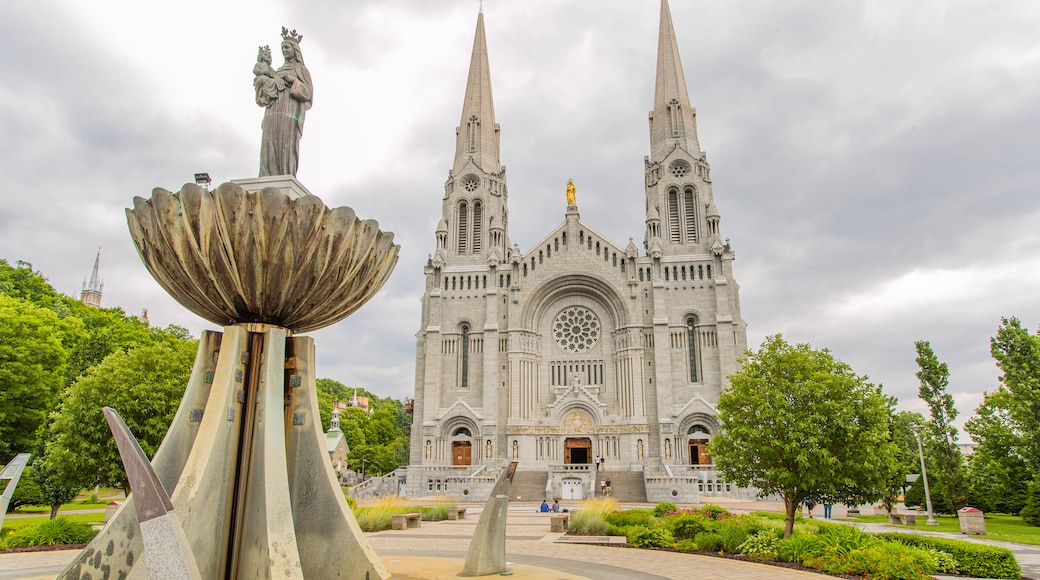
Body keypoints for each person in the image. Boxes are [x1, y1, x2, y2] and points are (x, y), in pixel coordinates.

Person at [257, 27, 313, 177]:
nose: (284, 50)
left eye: (287, 47)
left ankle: (285, 172)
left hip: (289, 112)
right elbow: (263, 95)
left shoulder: (300, 69)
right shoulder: (278, 70)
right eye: (282, 48)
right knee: (269, 140)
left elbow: (308, 93)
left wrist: (295, 81)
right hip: (273, 109)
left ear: (295, 49)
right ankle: (267, 173)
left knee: (285, 141)